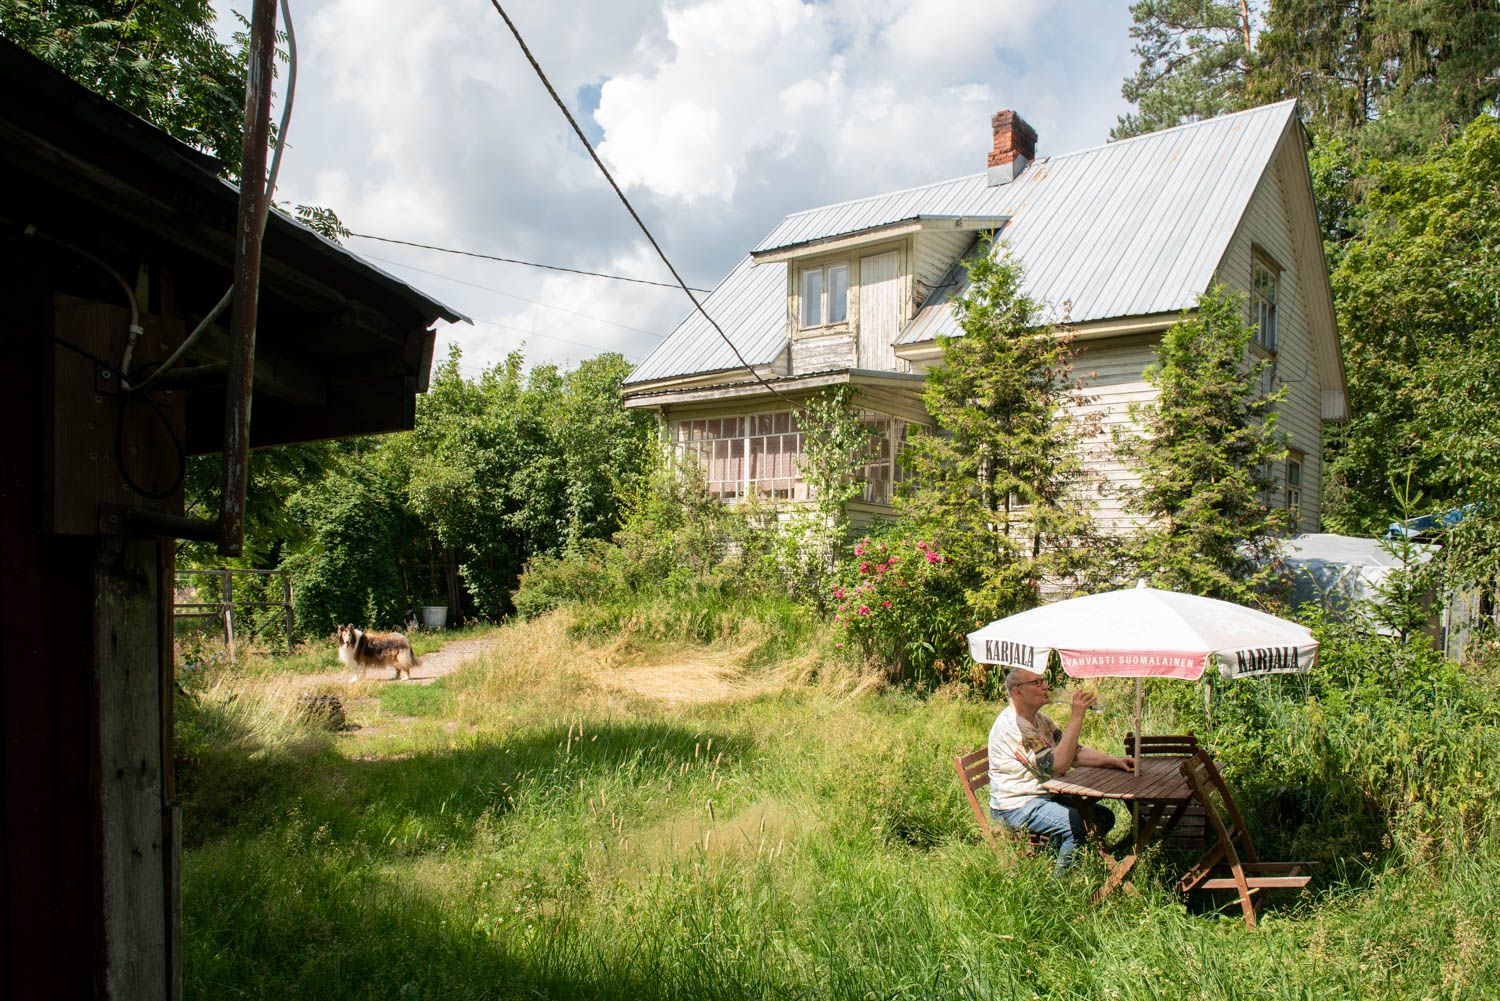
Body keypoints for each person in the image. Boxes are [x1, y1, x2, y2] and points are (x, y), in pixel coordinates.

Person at [988, 667, 1133, 873]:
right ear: (1018, 691)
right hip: (1016, 805)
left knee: (1104, 817)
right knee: (1079, 827)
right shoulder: (1013, 726)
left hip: (1044, 796)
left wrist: (1114, 761)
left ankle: (1063, 857)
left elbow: (1075, 753)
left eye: (1043, 680)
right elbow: (1058, 764)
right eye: (1037, 683)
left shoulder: (1041, 719)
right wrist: (1077, 717)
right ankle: (1060, 887)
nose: (1045, 686)